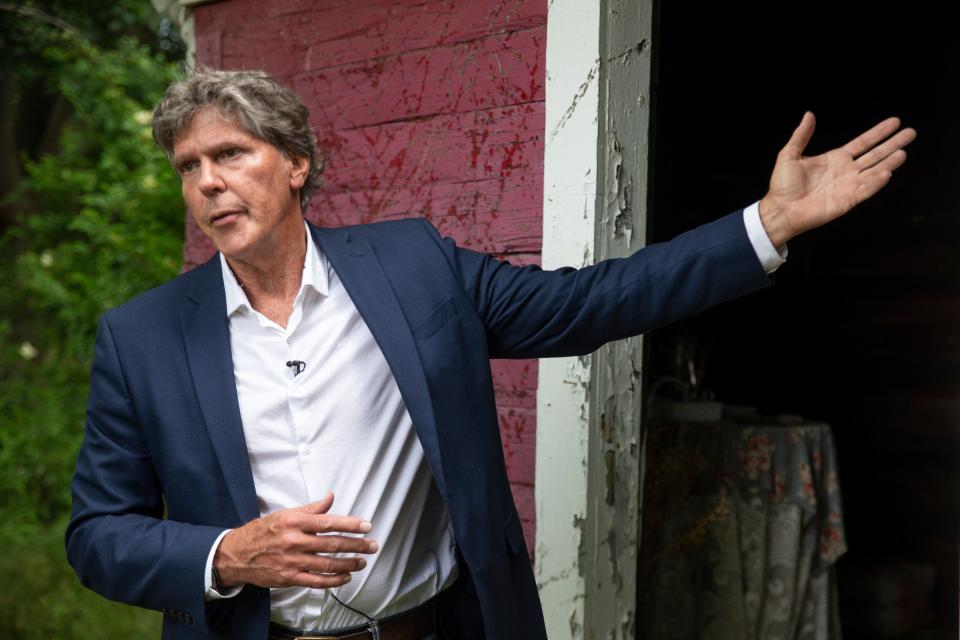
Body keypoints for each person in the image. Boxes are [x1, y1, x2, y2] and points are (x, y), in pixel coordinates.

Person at [65, 67, 915, 640]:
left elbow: (589, 303)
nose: (207, 182)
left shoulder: (413, 267)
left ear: (295, 164)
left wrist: (763, 227)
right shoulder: (142, 337)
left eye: (229, 155)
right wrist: (226, 555)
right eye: (188, 167)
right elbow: (99, 535)